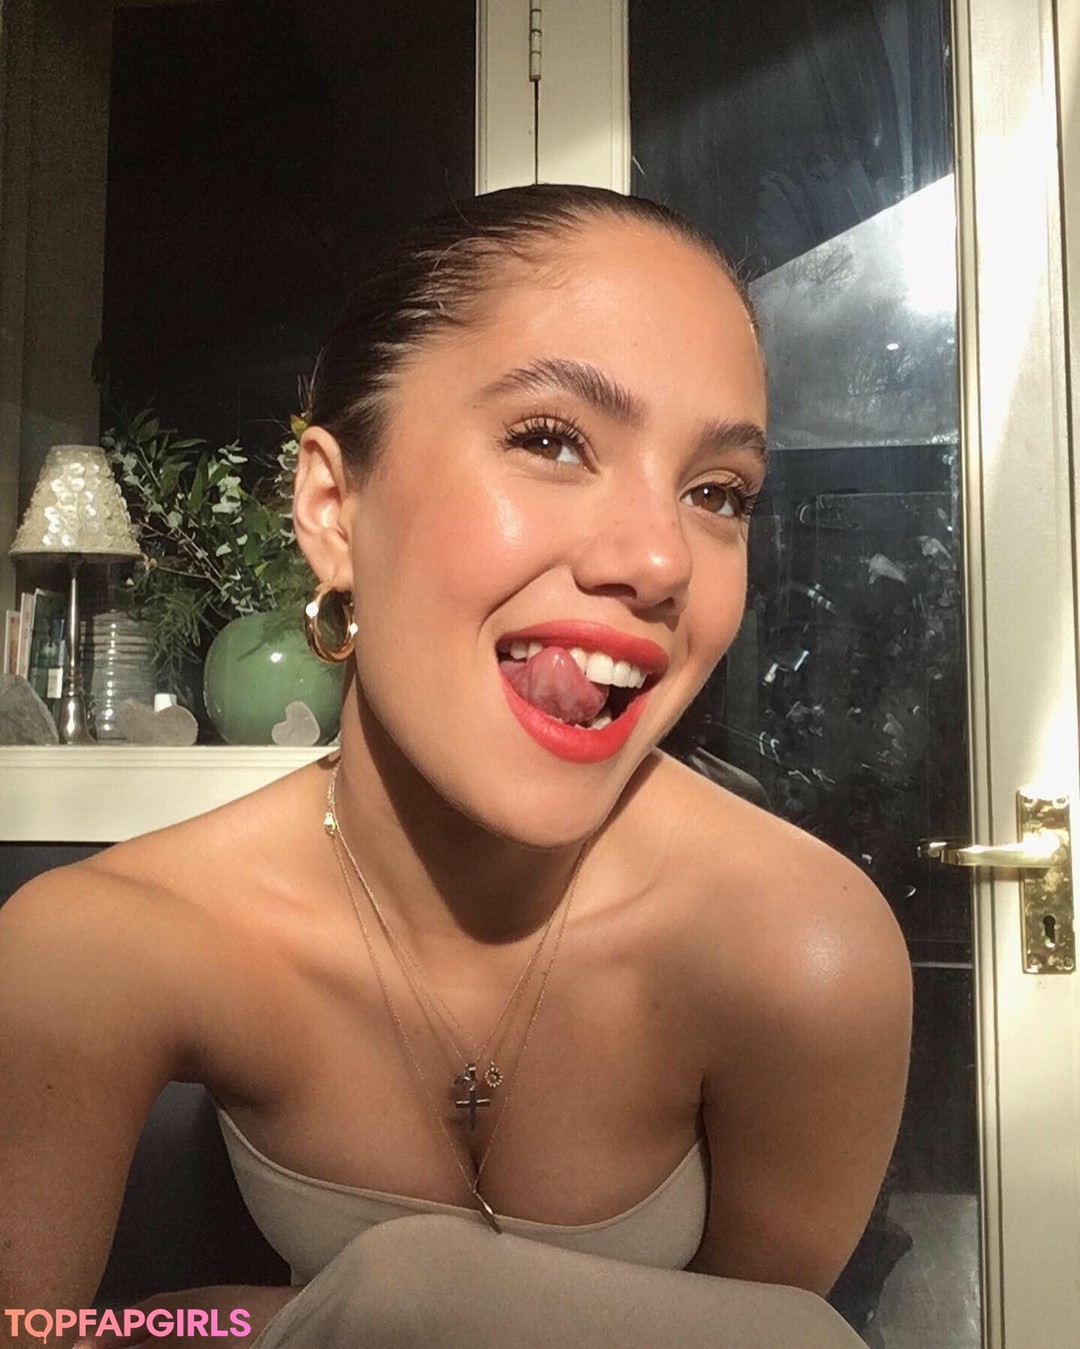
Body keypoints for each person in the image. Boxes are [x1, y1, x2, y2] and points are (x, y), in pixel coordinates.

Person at [0, 185, 911, 1347]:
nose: (661, 558)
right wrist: (260, 1326)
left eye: (717, 493)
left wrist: (414, 1294)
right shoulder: (100, 942)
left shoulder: (804, 957)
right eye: (551, 439)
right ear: (334, 508)